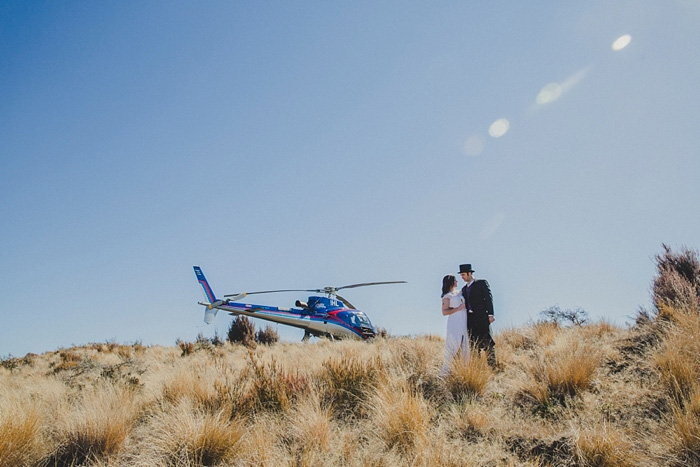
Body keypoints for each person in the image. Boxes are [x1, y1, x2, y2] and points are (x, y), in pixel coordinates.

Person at [459, 264, 496, 366]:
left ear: (469, 273)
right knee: (474, 345)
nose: (462, 277)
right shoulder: (463, 289)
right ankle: (477, 369)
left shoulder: (481, 283)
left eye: (463, 274)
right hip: (470, 320)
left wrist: (490, 314)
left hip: (482, 317)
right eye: (461, 275)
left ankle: (493, 367)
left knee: (488, 342)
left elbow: (488, 298)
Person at [440, 274, 468, 376]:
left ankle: (465, 367)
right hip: (454, 321)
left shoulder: (459, 292)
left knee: (465, 342)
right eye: (455, 280)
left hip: (463, 319)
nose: (457, 282)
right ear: (451, 282)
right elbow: (444, 312)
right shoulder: (447, 296)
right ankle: (446, 371)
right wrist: (458, 308)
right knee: (453, 343)